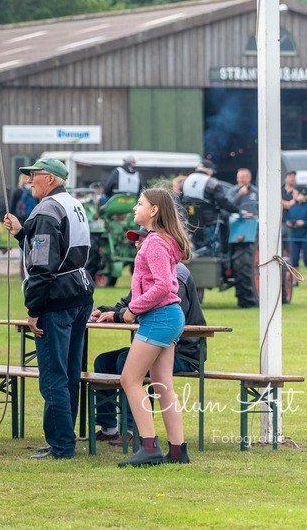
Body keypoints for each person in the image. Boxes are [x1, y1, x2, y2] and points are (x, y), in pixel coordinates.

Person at [1, 157, 93, 461]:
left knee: (53, 376)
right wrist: (21, 233)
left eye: (34, 176)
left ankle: (62, 445)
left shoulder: (45, 211)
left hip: (56, 301)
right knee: (69, 373)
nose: (29, 181)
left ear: (50, 179)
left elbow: (42, 265)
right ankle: (63, 439)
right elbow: (62, 248)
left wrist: (34, 309)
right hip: (80, 295)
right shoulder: (73, 204)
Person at [90, 228, 206, 447]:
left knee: (131, 374)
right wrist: (107, 312)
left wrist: (126, 314)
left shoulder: (173, 271)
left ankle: (138, 435)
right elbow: (131, 302)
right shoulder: (151, 267)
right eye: (137, 244)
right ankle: (112, 429)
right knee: (104, 362)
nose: (139, 248)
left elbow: (158, 301)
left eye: (143, 242)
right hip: (164, 330)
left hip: (187, 352)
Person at [117, 188, 192, 466]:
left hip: (160, 317)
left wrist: (133, 309)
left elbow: (164, 285)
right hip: (167, 317)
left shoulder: (155, 243)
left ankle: (149, 447)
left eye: (140, 203)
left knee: (129, 379)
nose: (135, 208)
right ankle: (177, 451)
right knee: (162, 385)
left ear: (154, 210)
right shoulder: (156, 242)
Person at [286, 190, 307, 288]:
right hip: (294, 235)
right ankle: (295, 280)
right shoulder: (293, 206)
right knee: (294, 258)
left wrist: (304, 223)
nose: (293, 195)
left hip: (306, 236)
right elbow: (288, 217)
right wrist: (289, 223)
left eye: (294, 193)